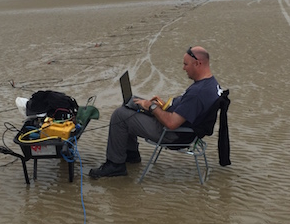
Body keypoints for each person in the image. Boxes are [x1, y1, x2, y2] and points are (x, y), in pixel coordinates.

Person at [89, 46, 223, 179]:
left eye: (186, 64)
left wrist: (152, 107)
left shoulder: (198, 93)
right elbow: (187, 110)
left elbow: (171, 123)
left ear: (198, 64)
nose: (183, 68)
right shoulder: (210, 84)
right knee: (133, 103)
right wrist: (164, 106)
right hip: (182, 127)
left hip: (173, 134)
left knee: (120, 115)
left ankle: (115, 165)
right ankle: (131, 154)